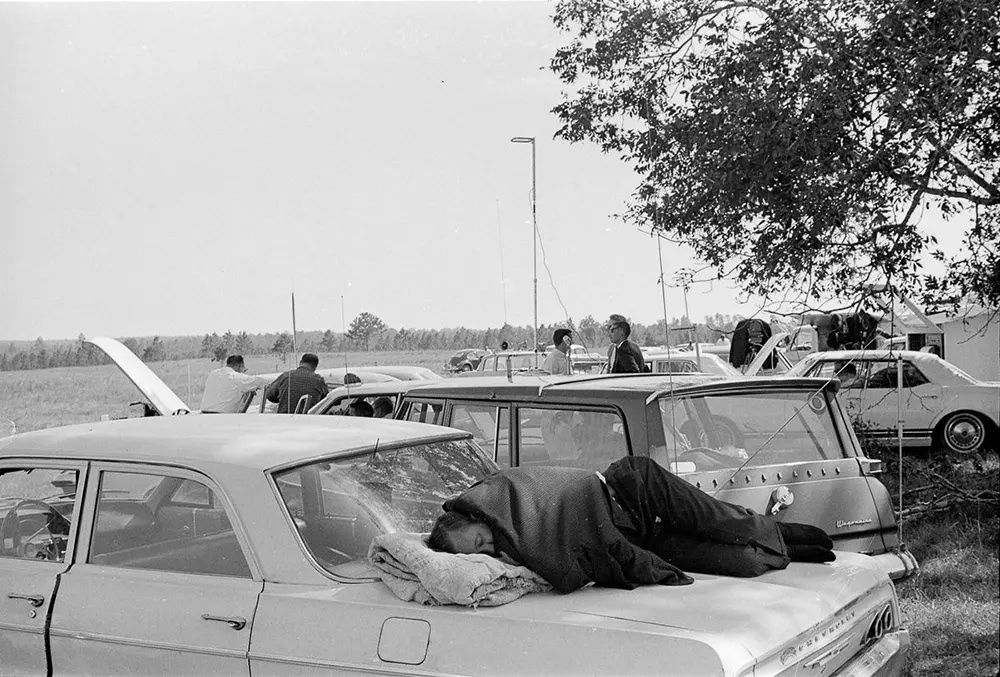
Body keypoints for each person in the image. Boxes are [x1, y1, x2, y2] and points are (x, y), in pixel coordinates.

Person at [428, 456, 834, 593]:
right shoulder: (512, 551)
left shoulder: (501, 493)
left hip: (635, 488)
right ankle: (788, 550)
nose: (488, 549)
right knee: (739, 563)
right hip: (638, 534)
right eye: (478, 553)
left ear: (476, 516)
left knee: (721, 521)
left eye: (480, 539)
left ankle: (787, 535)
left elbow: (574, 495)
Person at [200, 355, 271, 413]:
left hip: (203, 415)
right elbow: (260, 381)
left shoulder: (213, 373)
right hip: (223, 419)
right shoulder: (236, 377)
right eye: (244, 369)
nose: (243, 372)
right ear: (240, 366)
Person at [265, 353, 329, 414]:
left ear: (300, 362)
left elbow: (269, 395)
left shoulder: (286, 376)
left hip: (284, 420)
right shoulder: (319, 381)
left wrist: (282, 398)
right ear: (315, 367)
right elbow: (326, 400)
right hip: (309, 421)